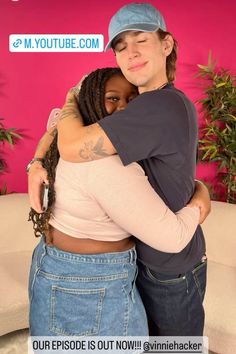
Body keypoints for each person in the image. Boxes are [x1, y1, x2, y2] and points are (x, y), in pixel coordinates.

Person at [28, 3, 211, 336]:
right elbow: (68, 117)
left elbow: (71, 143)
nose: (131, 52)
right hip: (143, 260)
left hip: (170, 270)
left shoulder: (161, 104)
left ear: (166, 45)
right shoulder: (137, 105)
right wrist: (38, 158)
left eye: (141, 39)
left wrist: (200, 202)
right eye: (121, 46)